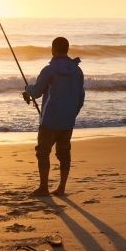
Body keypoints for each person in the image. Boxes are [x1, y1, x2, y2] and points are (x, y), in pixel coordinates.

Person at [22, 37, 85, 196]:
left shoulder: (49, 70)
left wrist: (27, 90)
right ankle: (61, 188)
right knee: (64, 153)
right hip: (68, 120)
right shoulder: (77, 71)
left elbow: (36, 92)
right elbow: (80, 97)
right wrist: (72, 114)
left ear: (54, 49)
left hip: (49, 120)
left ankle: (44, 188)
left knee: (43, 152)